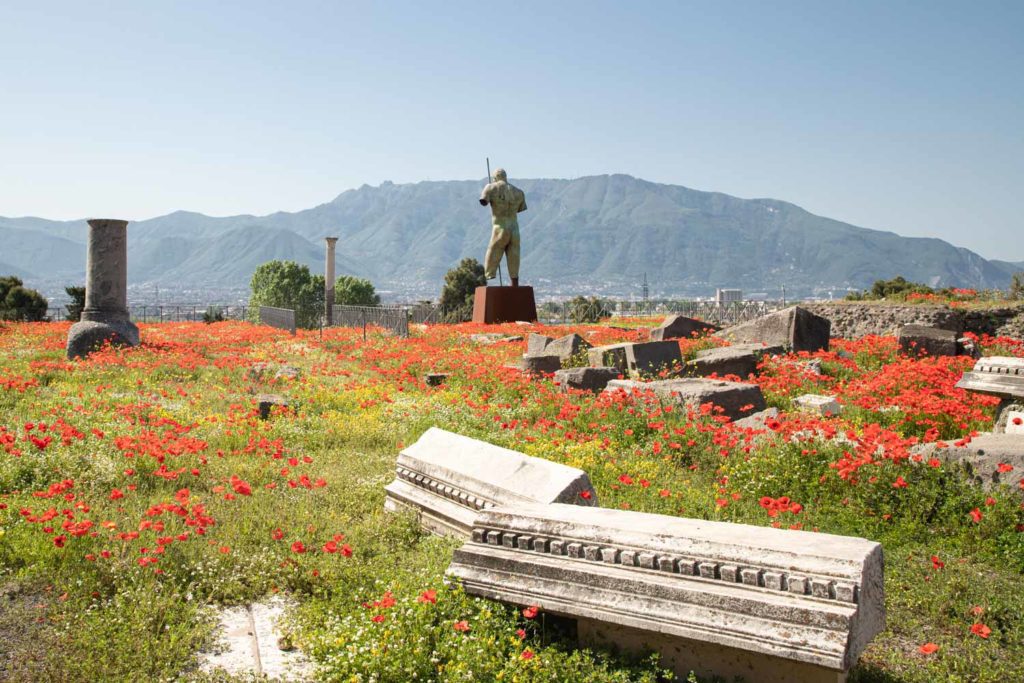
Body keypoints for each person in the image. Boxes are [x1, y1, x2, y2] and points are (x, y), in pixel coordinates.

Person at [479, 168, 527, 287]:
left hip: (500, 228)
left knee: (493, 250)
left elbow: (483, 201)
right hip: (514, 229)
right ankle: (514, 282)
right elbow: (521, 208)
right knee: (514, 255)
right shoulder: (519, 192)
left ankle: (489, 275)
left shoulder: (490, 187)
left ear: (495, 178)